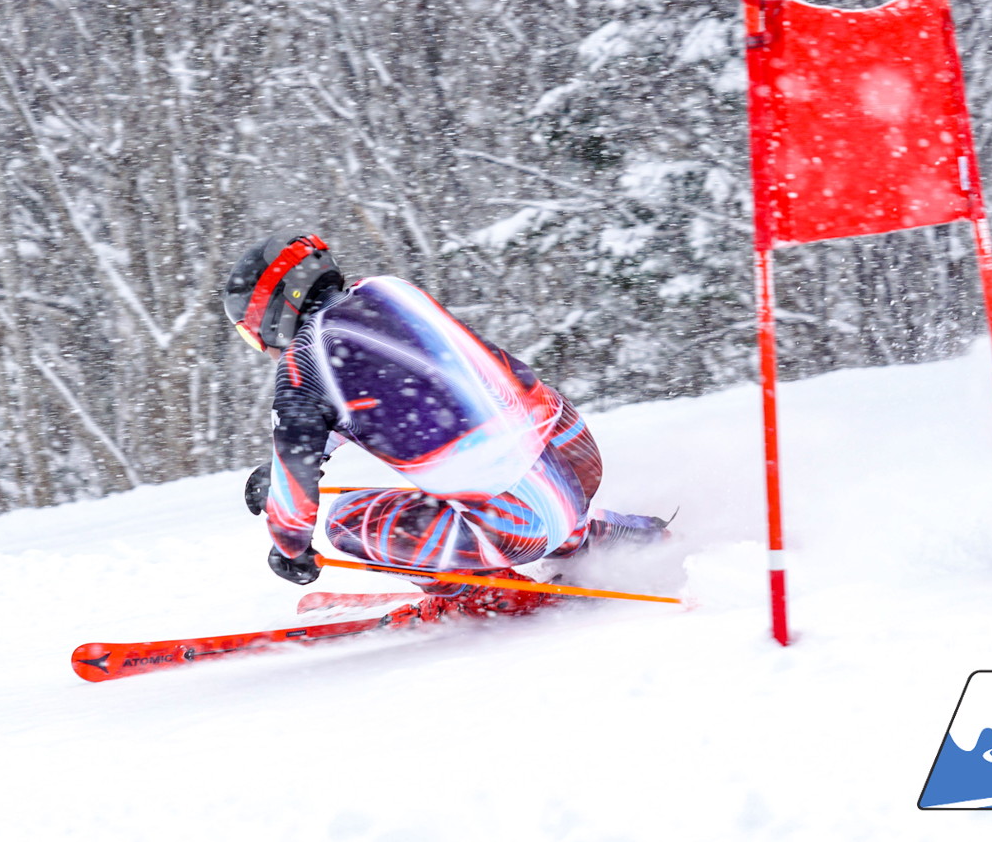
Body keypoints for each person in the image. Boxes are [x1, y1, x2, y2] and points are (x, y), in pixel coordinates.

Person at [223, 228, 669, 618]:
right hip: (575, 455)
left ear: (275, 310)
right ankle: (597, 536)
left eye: (249, 331)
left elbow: (297, 479)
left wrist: (290, 548)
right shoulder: (387, 291)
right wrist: (288, 469)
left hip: (522, 520)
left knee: (344, 521)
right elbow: (385, 392)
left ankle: (474, 595)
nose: (258, 344)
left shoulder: (304, 363)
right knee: (493, 457)